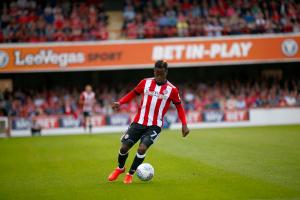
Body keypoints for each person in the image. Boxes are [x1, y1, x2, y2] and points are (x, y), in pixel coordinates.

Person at [107, 60, 190, 184]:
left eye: (161, 73)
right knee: (124, 147)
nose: (158, 76)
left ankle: (130, 174)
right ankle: (120, 168)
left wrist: (184, 124)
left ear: (166, 73)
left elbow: (179, 107)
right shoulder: (145, 82)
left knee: (142, 148)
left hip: (154, 125)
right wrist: (120, 102)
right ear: (154, 71)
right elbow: (132, 94)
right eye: (156, 73)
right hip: (138, 122)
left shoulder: (172, 90)